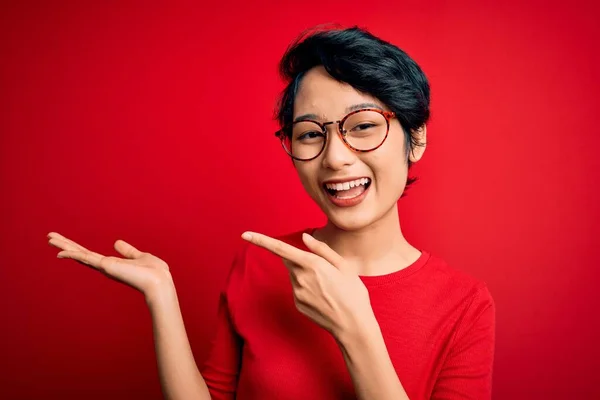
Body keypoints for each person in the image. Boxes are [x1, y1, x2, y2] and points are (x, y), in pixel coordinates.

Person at [47, 26, 495, 400]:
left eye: (362, 126)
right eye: (309, 134)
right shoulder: (261, 264)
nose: (335, 157)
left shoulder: (464, 306)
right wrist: (161, 296)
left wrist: (356, 327)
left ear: (415, 138)